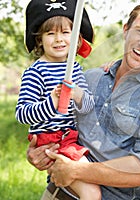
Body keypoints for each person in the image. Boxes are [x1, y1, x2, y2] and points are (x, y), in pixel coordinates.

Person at [26, 1, 140, 200]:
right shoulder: (89, 78)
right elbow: (58, 127)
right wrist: (39, 152)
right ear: (126, 30)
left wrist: (76, 171)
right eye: (139, 31)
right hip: (56, 193)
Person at [16, 0, 101, 199]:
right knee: (92, 192)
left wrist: (78, 94)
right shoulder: (35, 72)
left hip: (70, 138)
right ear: (39, 40)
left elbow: (87, 107)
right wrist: (52, 102)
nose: (59, 39)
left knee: (81, 185)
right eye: (50, 33)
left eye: (65, 33)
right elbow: (22, 114)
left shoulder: (75, 69)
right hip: (51, 140)